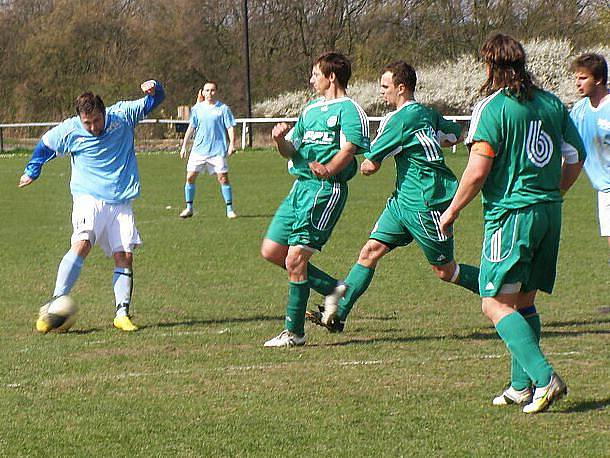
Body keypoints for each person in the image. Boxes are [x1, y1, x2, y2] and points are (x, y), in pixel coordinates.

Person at [439, 33, 585, 414]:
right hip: (549, 213)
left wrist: (451, 211)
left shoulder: (493, 108)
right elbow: (576, 157)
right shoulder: (553, 103)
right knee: (523, 301)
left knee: (494, 303)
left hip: (511, 215)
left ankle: (544, 378)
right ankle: (521, 386)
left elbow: (477, 171)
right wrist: (555, 193)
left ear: (489, 66)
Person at [307, 60, 480, 333]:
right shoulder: (426, 112)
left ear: (402, 88)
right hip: (403, 202)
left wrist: (353, 161)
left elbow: (370, 166)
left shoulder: (396, 120)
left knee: (446, 271)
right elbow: (455, 135)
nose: (381, 91)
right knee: (370, 251)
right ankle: (337, 314)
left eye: (385, 86)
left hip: (426, 203)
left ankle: (502, 290)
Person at [20, 80, 165, 332]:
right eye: (87, 122)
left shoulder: (123, 115)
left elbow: (155, 100)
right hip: (88, 198)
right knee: (82, 243)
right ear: (80, 118)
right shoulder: (70, 130)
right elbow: (44, 146)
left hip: (121, 200)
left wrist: (154, 88)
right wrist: (33, 170)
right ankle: (56, 304)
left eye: (96, 120)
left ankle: (122, 314)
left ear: (104, 112)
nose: (92, 127)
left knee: (125, 256)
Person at [262, 51, 370, 347]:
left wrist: (329, 169)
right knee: (272, 251)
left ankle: (294, 333)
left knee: (296, 258)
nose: (312, 80)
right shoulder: (310, 110)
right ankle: (334, 288)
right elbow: (291, 150)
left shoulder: (349, 110)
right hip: (300, 188)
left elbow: (349, 149)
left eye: (315, 74)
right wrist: (279, 140)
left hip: (325, 190)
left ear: (331, 76)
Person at [569, 53, 610, 264]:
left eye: (583, 78)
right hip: (603, 190)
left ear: (599, 79)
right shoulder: (579, 111)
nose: (577, 83)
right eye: (577, 78)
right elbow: (567, 149)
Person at [179, 81, 238, 219]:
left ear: (216, 92)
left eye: (212, 90)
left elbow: (230, 127)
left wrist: (232, 144)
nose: (209, 93)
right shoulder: (197, 109)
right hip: (199, 150)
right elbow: (191, 127)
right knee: (190, 177)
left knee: (223, 178)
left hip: (217, 150)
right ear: (203, 92)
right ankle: (189, 208)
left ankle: (229, 209)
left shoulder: (223, 109)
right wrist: (184, 146)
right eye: (207, 90)